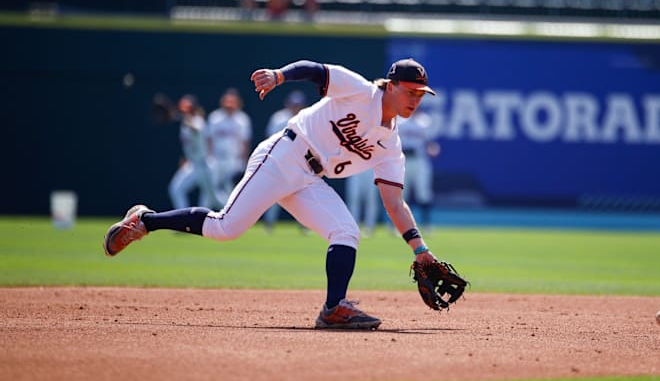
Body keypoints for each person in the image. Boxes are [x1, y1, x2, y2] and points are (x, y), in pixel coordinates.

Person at [103, 58, 440, 330]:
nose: (415, 98)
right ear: (391, 85)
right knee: (225, 228)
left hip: (310, 178)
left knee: (346, 232)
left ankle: (333, 308)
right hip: (284, 155)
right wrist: (279, 76)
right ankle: (145, 221)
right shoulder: (361, 91)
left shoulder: (390, 147)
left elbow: (394, 202)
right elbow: (315, 70)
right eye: (411, 90)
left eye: (421, 94)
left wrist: (420, 249)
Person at [262, 90, 307, 232]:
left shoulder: (305, 118)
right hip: (278, 161)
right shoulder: (279, 118)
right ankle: (269, 223)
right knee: (273, 194)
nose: (295, 107)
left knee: (302, 195)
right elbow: (269, 139)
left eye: (298, 105)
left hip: (298, 163)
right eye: (293, 104)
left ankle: (304, 225)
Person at [168, 95, 223, 210]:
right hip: (192, 165)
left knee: (213, 199)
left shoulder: (198, 120)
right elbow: (189, 145)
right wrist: (186, 158)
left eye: (187, 107)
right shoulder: (184, 123)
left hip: (204, 166)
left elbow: (196, 129)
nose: (184, 110)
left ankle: (237, 213)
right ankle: (182, 219)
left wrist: (183, 119)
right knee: (176, 189)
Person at [206, 88, 253, 204]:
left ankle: (226, 214)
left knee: (230, 190)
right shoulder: (215, 117)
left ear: (237, 103)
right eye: (227, 102)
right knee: (210, 189)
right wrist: (209, 157)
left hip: (233, 160)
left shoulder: (242, 119)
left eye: (232, 102)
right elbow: (209, 139)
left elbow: (245, 142)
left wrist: (243, 161)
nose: (229, 105)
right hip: (216, 159)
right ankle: (202, 216)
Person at [398, 109, 438, 232]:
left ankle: (426, 224)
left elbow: (431, 143)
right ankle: (399, 226)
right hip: (403, 160)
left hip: (419, 160)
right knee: (401, 194)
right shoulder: (400, 121)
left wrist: (433, 148)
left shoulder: (424, 122)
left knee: (423, 192)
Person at [345, 169, 380, 238]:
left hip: (372, 168)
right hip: (355, 167)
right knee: (354, 198)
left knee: (371, 199)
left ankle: (369, 227)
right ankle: (353, 227)